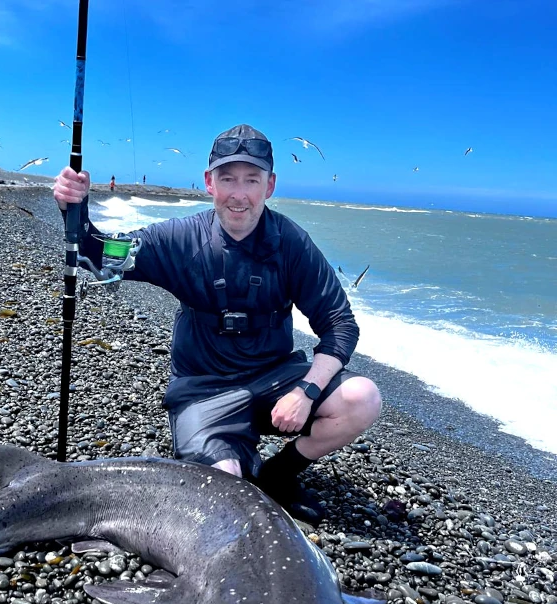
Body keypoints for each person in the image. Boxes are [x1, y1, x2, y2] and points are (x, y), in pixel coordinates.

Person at [53, 124, 382, 524]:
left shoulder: (292, 244)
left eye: (251, 180)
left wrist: (307, 392)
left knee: (362, 397)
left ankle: (279, 475)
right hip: (203, 390)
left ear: (270, 185)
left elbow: (340, 324)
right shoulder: (178, 239)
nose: (238, 194)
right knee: (225, 494)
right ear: (209, 182)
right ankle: (231, 457)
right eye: (227, 179)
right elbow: (99, 255)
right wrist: (75, 207)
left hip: (275, 380)